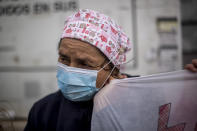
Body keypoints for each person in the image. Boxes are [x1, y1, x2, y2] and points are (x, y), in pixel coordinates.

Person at [24, 9, 197, 131]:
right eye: (64, 59)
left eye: (85, 64)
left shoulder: (151, 101)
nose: (70, 70)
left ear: (113, 69)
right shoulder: (44, 111)